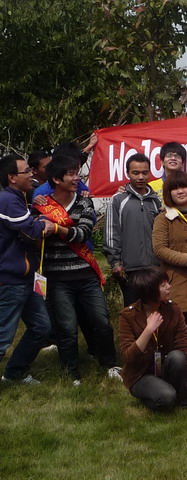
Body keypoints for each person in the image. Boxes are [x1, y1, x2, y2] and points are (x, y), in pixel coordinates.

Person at [34, 154, 121, 384]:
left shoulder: (84, 202)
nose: (77, 178)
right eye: (71, 174)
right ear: (56, 179)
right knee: (67, 328)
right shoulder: (41, 206)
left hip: (85, 274)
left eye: (77, 174)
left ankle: (110, 364)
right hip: (57, 278)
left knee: (101, 321)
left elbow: (83, 233)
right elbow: (34, 234)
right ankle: (71, 373)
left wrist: (56, 229)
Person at [0, 154, 54, 384]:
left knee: (41, 327)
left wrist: (36, 218)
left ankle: (14, 373)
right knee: (3, 336)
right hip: (11, 279)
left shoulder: (19, 197)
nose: (32, 174)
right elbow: (30, 231)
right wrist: (44, 224)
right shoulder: (7, 199)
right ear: (12, 177)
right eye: (26, 171)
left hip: (27, 278)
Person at [118, 267, 187, 410]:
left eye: (167, 283)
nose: (169, 287)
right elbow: (129, 357)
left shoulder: (173, 309)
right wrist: (148, 330)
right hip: (141, 374)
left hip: (165, 368)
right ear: (149, 292)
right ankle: (162, 395)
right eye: (163, 285)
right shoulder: (127, 316)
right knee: (167, 397)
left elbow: (185, 350)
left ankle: (183, 400)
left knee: (178, 356)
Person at [152, 171, 187, 375]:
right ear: (168, 193)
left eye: (183, 186)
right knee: (180, 338)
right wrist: (186, 259)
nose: (180, 191)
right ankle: (181, 378)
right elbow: (159, 249)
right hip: (178, 287)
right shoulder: (163, 219)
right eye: (174, 188)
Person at [103, 153, 162, 306]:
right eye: (135, 173)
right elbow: (111, 232)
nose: (141, 177)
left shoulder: (157, 201)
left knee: (156, 309)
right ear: (127, 173)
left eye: (145, 172)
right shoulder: (118, 199)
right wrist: (115, 262)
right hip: (129, 269)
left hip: (154, 267)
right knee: (133, 311)